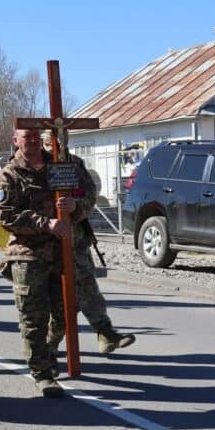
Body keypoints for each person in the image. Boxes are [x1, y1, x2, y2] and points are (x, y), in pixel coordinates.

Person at [0, 128, 90, 398]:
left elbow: (87, 195)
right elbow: (5, 214)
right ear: (15, 140)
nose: (33, 140)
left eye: (37, 135)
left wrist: (75, 205)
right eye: (27, 136)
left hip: (62, 253)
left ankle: (49, 349)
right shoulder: (10, 174)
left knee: (66, 312)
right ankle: (42, 373)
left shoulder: (61, 167)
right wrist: (44, 223)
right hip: (28, 255)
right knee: (33, 318)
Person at [40, 133, 135, 357]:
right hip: (47, 245)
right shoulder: (37, 166)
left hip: (76, 240)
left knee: (88, 288)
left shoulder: (75, 164)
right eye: (51, 144)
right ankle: (49, 345)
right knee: (60, 305)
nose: (58, 148)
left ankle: (105, 332)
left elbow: (89, 195)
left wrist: (76, 205)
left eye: (62, 143)